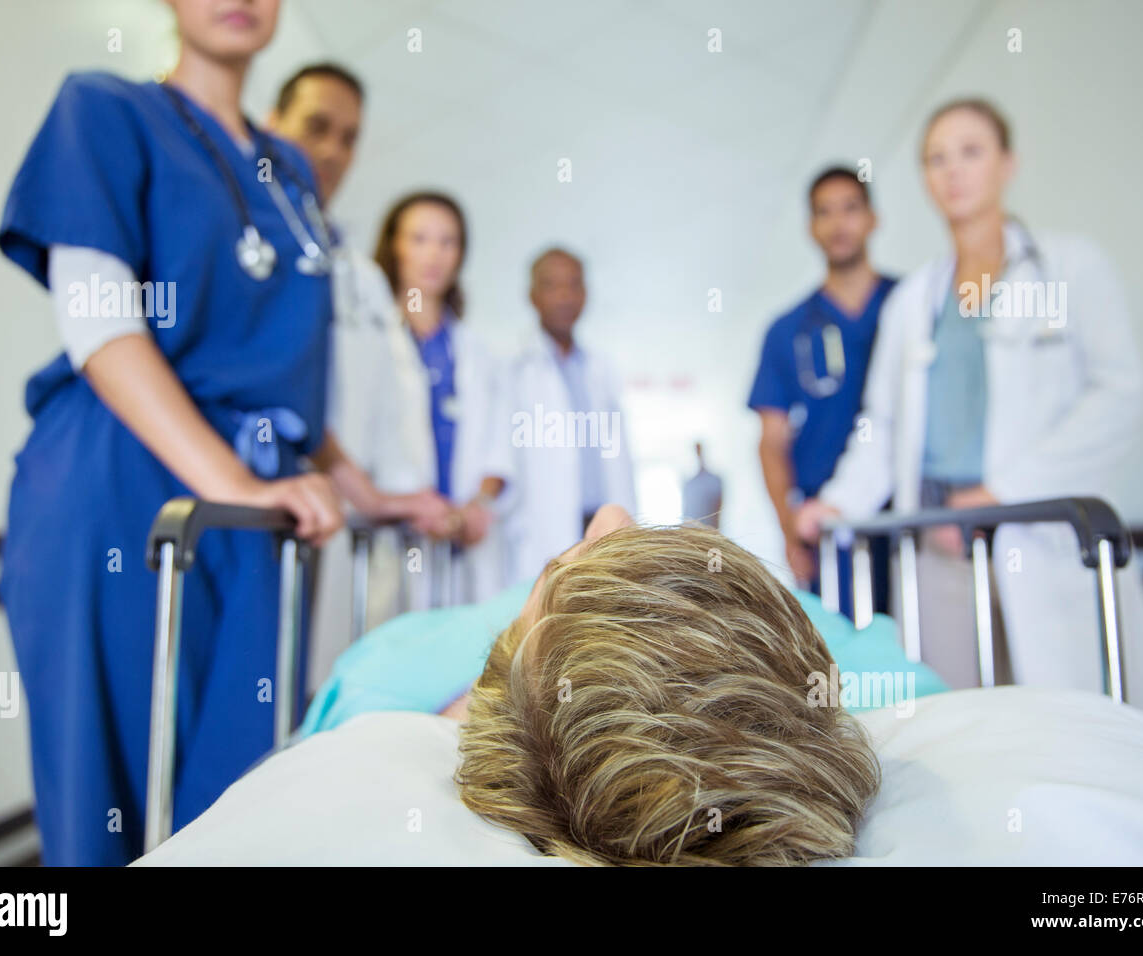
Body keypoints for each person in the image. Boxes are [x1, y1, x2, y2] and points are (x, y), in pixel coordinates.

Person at [0, 0, 354, 865]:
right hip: (121, 482)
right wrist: (237, 485)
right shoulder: (105, 109)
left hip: (257, 506)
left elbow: (293, 369)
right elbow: (99, 327)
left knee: (235, 795)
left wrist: (364, 489)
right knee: (110, 798)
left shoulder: (290, 174)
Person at [300, 505, 950, 865]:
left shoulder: (379, 679)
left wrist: (476, 708)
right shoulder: (851, 680)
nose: (611, 514)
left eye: (558, 573)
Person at [795, 99, 1143, 706]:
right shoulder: (914, 301)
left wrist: (1003, 491)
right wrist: (834, 501)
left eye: (971, 152)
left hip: (1043, 538)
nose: (953, 172)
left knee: (1068, 718)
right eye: (936, 159)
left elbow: (1117, 394)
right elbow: (883, 428)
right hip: (941, 542)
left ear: (1007, 164)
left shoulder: (1071, 269)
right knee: (964, 726)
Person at [264, 63, 450, 677]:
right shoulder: (264, 250)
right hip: (299, 515)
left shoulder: (358, 274)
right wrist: (369, 493)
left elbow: (391, 408)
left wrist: (398, 497)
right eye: (316, 127)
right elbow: (282, 390)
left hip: (366, 531)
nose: (333, 151)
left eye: (348, 138)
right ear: (272, 125)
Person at [750, 167, 896, 616]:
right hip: (826, 530)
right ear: (811, 227)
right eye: (824, 213)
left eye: (850, 209)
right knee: (841, 658)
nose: (839, 224)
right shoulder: (786, 330)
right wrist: (789, 530)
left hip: (910, 517)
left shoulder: (909, 306)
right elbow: (772, 443)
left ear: (872, 218)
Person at [372, 191, 514, 603]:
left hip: (464, 542)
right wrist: (402, 503)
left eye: (447, 241)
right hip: (390, 539)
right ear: (393, 246)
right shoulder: (372, 340)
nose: (434, 254)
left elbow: (499, 448)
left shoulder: (475, 351)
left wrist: (478, 503)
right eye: (419, 239)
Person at [502, 248, 636, 585]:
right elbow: (500, 459)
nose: (564, 296)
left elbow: (619, 461)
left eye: (573, 285)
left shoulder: (600, 368)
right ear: (532, 296)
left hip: (601, 525)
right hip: (545, 527)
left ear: (585, 294)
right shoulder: (513, 369)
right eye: (552, 285)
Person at [681, 441, 723, 528]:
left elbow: (719, 508)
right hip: (692, 530)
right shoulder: (689, 483)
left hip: (710, 529)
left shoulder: (714, 480)